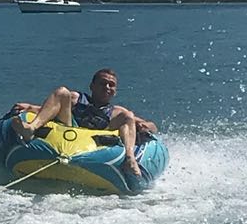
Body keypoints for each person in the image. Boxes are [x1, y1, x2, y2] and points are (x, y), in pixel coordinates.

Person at [10, 67, 157, 178]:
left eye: (111, 85)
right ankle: (30, 128)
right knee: (62, 91)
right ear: (92, 86)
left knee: (128, 116)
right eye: (102, 83)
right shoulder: (76, 98)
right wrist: (29, 107)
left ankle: (130, 159)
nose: (107, 87)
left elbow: (151, 126)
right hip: (67, 131)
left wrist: (147, 126)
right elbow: (52, 107)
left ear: (115, 91)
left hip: (95, 145)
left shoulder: (118, 112)